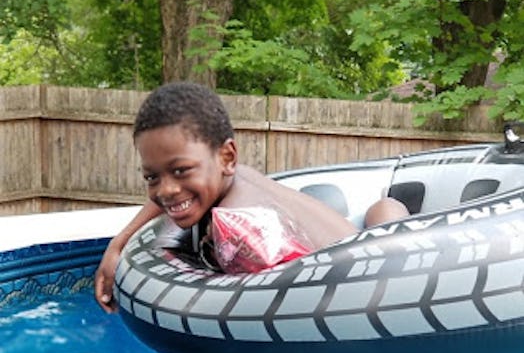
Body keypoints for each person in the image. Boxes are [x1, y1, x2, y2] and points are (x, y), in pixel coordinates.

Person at [94, 81, 408, 312]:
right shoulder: (235, 174)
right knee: (384, 208)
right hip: (363, 242)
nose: (165, 190)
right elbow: (172, 192)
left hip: (374, 289)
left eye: (180, 171)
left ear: (226, 156)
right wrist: (117, 244)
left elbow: (297, 304)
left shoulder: (239, 233)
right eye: (152, 177)